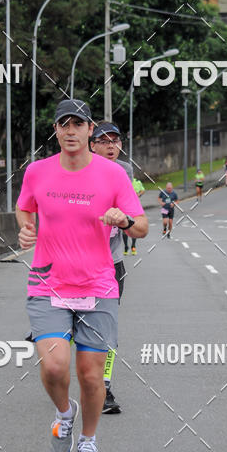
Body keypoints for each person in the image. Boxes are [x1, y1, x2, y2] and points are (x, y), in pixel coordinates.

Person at [16, 99, 148, 452]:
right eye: (64, 124)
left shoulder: (113, 175)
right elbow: (25, 206)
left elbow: (141, 226)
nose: (71, 131)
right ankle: (64, 413)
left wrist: (122, 220)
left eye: (78, 124)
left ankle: (88, 440)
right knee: (55, 366)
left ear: (90, 130)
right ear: (56, 130)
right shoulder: (38, 172)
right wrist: (26, 229)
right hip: (48, 282)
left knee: (91, 376)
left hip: (98, 285)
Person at [89, 120, 134, 415]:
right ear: (91, 145)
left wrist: (124, 218)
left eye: (115, 141)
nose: (110, 146)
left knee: (107, 330)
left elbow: (134, 218)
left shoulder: (125, 173)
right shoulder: (77, 171)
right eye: (104, 141)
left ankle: (104, 387)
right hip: (76, 264)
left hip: (112, 265)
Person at [124, 178, 145, 254]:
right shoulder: (124, 180)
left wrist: (138, 194)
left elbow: (143, 190)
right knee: (125, 228)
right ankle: (126, 246)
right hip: (125, 207)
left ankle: (133, 246)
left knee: (134, 226)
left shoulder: (137, 182)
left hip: (134, 208)